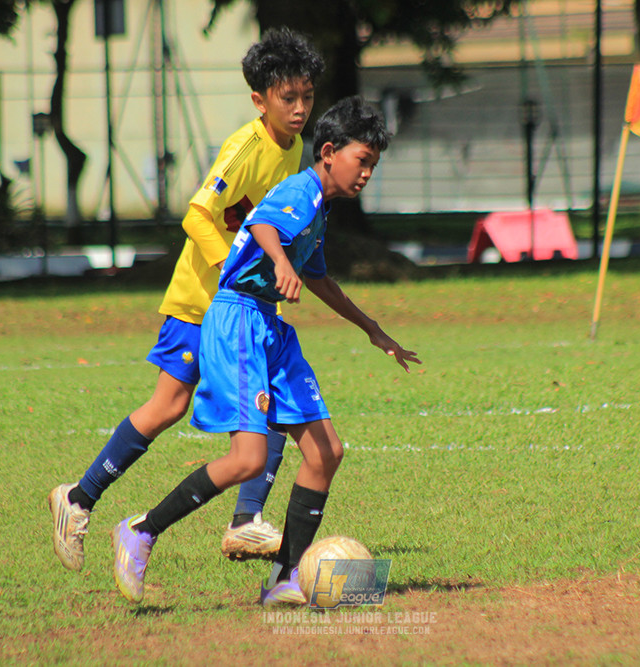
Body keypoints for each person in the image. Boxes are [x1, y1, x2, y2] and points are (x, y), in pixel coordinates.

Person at [110, 96, 421, 607]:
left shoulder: (317, 210)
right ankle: (141, 530)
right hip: (237, 321)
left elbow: (318, 277)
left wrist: (372, 328)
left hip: (269, 326)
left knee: (325, 453)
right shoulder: (299, 189)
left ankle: (283, 580)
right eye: (361, 160)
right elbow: (261, 224)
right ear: (328, 152)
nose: (366, 173)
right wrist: (279, 261)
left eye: (373, 165)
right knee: (248, 459)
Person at [48, 28, 324, 571]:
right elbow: (196, 213)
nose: (298, 109)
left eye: (307, 97)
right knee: (167, 406)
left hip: (243, 310)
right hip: (202, 300)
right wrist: (230, 270)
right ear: (259, 99)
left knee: (265, 400)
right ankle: (77, 499)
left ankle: (245, 523)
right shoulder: (246, 147)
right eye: (287, 98)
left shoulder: (295, 153)